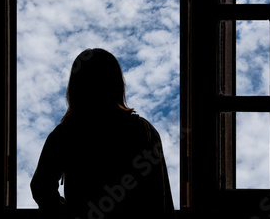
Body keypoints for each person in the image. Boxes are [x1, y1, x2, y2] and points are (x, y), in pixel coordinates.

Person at [30, 48, 175, 219]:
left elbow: (41, 187)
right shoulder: (143, 130)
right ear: (117, 84)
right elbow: (160, 196)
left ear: (76, 87)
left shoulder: (65, 133)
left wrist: (67, 216)